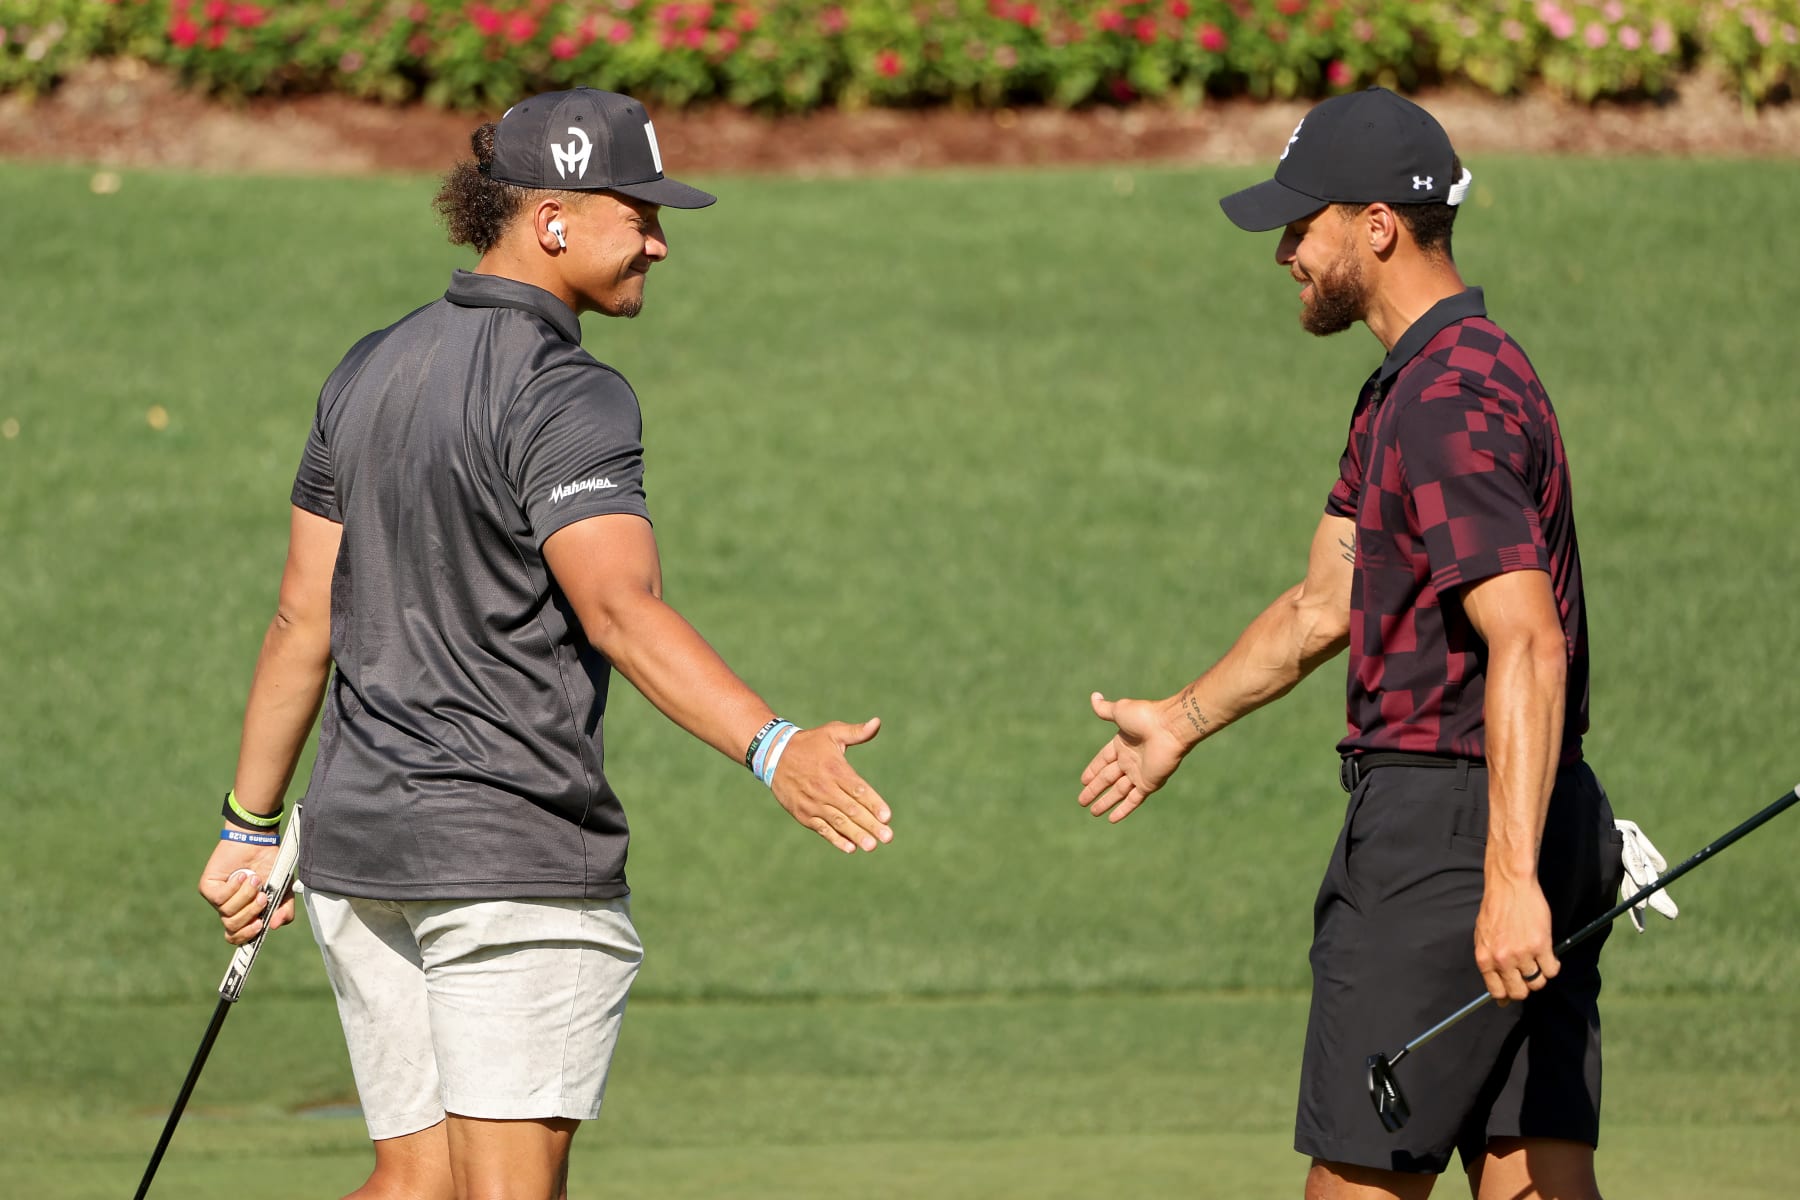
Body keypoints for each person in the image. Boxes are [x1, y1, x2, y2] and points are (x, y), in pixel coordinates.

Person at [196, 87, 895, 1200]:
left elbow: (301, 617)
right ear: (555, 219)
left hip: (358, 853)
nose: (660, 243)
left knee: (414, 1183)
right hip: (508, 858)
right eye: (641, 215)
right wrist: (776, 747)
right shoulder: (569, 392)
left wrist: (247, 825)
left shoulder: (367, 368)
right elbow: (621, 610)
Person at [1078, 88, 1624, 1200]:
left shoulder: (1447, 398)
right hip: (1528, 809)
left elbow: (1527, 642)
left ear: (1378, 225)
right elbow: (1322, 605)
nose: (1284, 249)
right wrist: (1179, 721)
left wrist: (1507, 875)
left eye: (1303, 221)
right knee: (1535, 1172)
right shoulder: (1422, 385)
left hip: (1451, 833)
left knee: (1364, 1177)